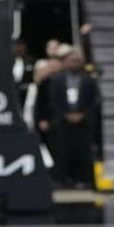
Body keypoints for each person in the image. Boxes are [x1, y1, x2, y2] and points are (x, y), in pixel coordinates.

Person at [41, 49, 101, 188]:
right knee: (61, 152)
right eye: (72, 60)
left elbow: (94, 101)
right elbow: (52, 100)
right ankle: (60, 180)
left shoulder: (89, 80)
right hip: (62, 121)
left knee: (83, 153)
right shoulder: (56, 79)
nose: (75, 63)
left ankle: (83, 180)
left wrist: (82, 114)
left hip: (83, 122)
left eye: (78, 61)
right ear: (65, 62)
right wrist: (65, 114)